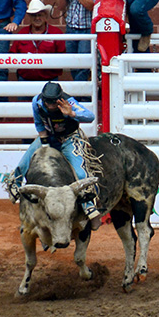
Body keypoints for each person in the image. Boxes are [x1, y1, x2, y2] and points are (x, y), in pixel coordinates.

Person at [13, 80, 100, 223]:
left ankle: (88, 204)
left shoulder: (69, 102)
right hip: (48, 137)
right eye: (48, 102)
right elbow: (39, 123)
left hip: (70, 138)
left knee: (79, 171)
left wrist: (72, 113)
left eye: (54, 102)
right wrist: (45, 144)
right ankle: (15, 187)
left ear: (60, 99)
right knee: (24, 162)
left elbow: (90, 116)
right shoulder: (37, 102)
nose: (51, 105)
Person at [53, 0, 105, 84]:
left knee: (84, 66)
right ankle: (80, 92)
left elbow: (92, 6)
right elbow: (61, 7)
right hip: (71, 28)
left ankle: (80, 95)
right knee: (73, 64)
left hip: (87, 30)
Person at [11, 0, 64, 83]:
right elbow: (13, 55)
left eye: (40, 15)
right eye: (34, 15)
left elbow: (63, 57)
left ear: (46, 16)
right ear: (29, 17)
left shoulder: (56, 33)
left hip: (49, 81)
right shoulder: (22, 33)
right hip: (25, 80)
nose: (37, 18)